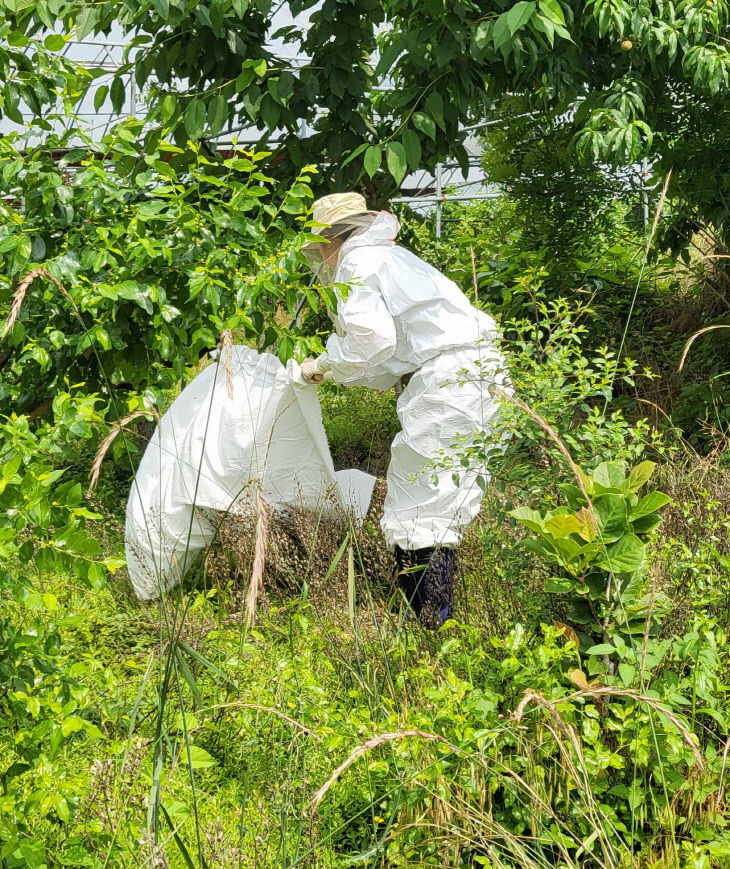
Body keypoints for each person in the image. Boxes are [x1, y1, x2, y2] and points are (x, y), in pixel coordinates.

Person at [301, 192, 509, 628]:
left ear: (331, 240)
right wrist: (335, 370)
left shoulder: (359, 264)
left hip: (449, 383)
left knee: (419, 508)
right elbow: (388, 358)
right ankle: (435, 622)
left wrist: (321, 365)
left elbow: (371, 342)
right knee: (443, 500)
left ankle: (429, 627)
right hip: (476, 377)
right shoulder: (396, 261)